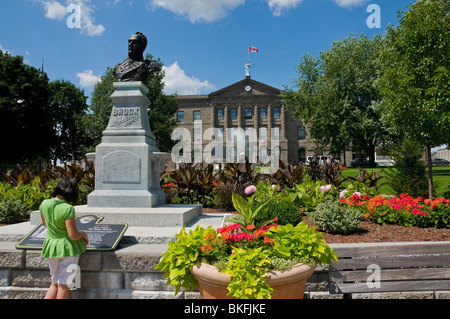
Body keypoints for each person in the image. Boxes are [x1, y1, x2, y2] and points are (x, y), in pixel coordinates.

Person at [40, 176, 89, 299]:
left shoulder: (44, 204)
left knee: (54, 283)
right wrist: (83, 234)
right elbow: (72, 235)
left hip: (51, 247)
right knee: (64, 285)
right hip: (68, 249)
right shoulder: (68, 209)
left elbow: (46, 224)